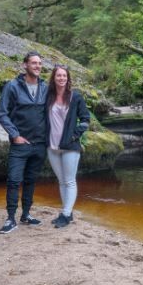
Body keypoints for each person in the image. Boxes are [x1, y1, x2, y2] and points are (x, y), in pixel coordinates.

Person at [0, 51, 49, 234]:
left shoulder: (45, 87)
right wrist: (15, 135)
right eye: (34, 63)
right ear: (25, 65)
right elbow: (2, 114)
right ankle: (10, 219)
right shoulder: (12, 86)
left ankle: (26, 214)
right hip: (20, 145)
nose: (37, 66)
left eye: (40, 63)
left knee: (30, 181)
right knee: (13, 180)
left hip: (40, 144)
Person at [45, 64, 90, 228]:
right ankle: (67, 212)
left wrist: (74, 135)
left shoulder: (75, 97)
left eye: (64, 75)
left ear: (68, 78)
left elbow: (85, 119)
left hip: (70, 147)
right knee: (61, 181)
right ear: (54, 78)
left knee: (70, 181)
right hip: (52, 146)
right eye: (58, 75)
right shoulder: (48, 96)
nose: (61, 78)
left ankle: (65, 214)